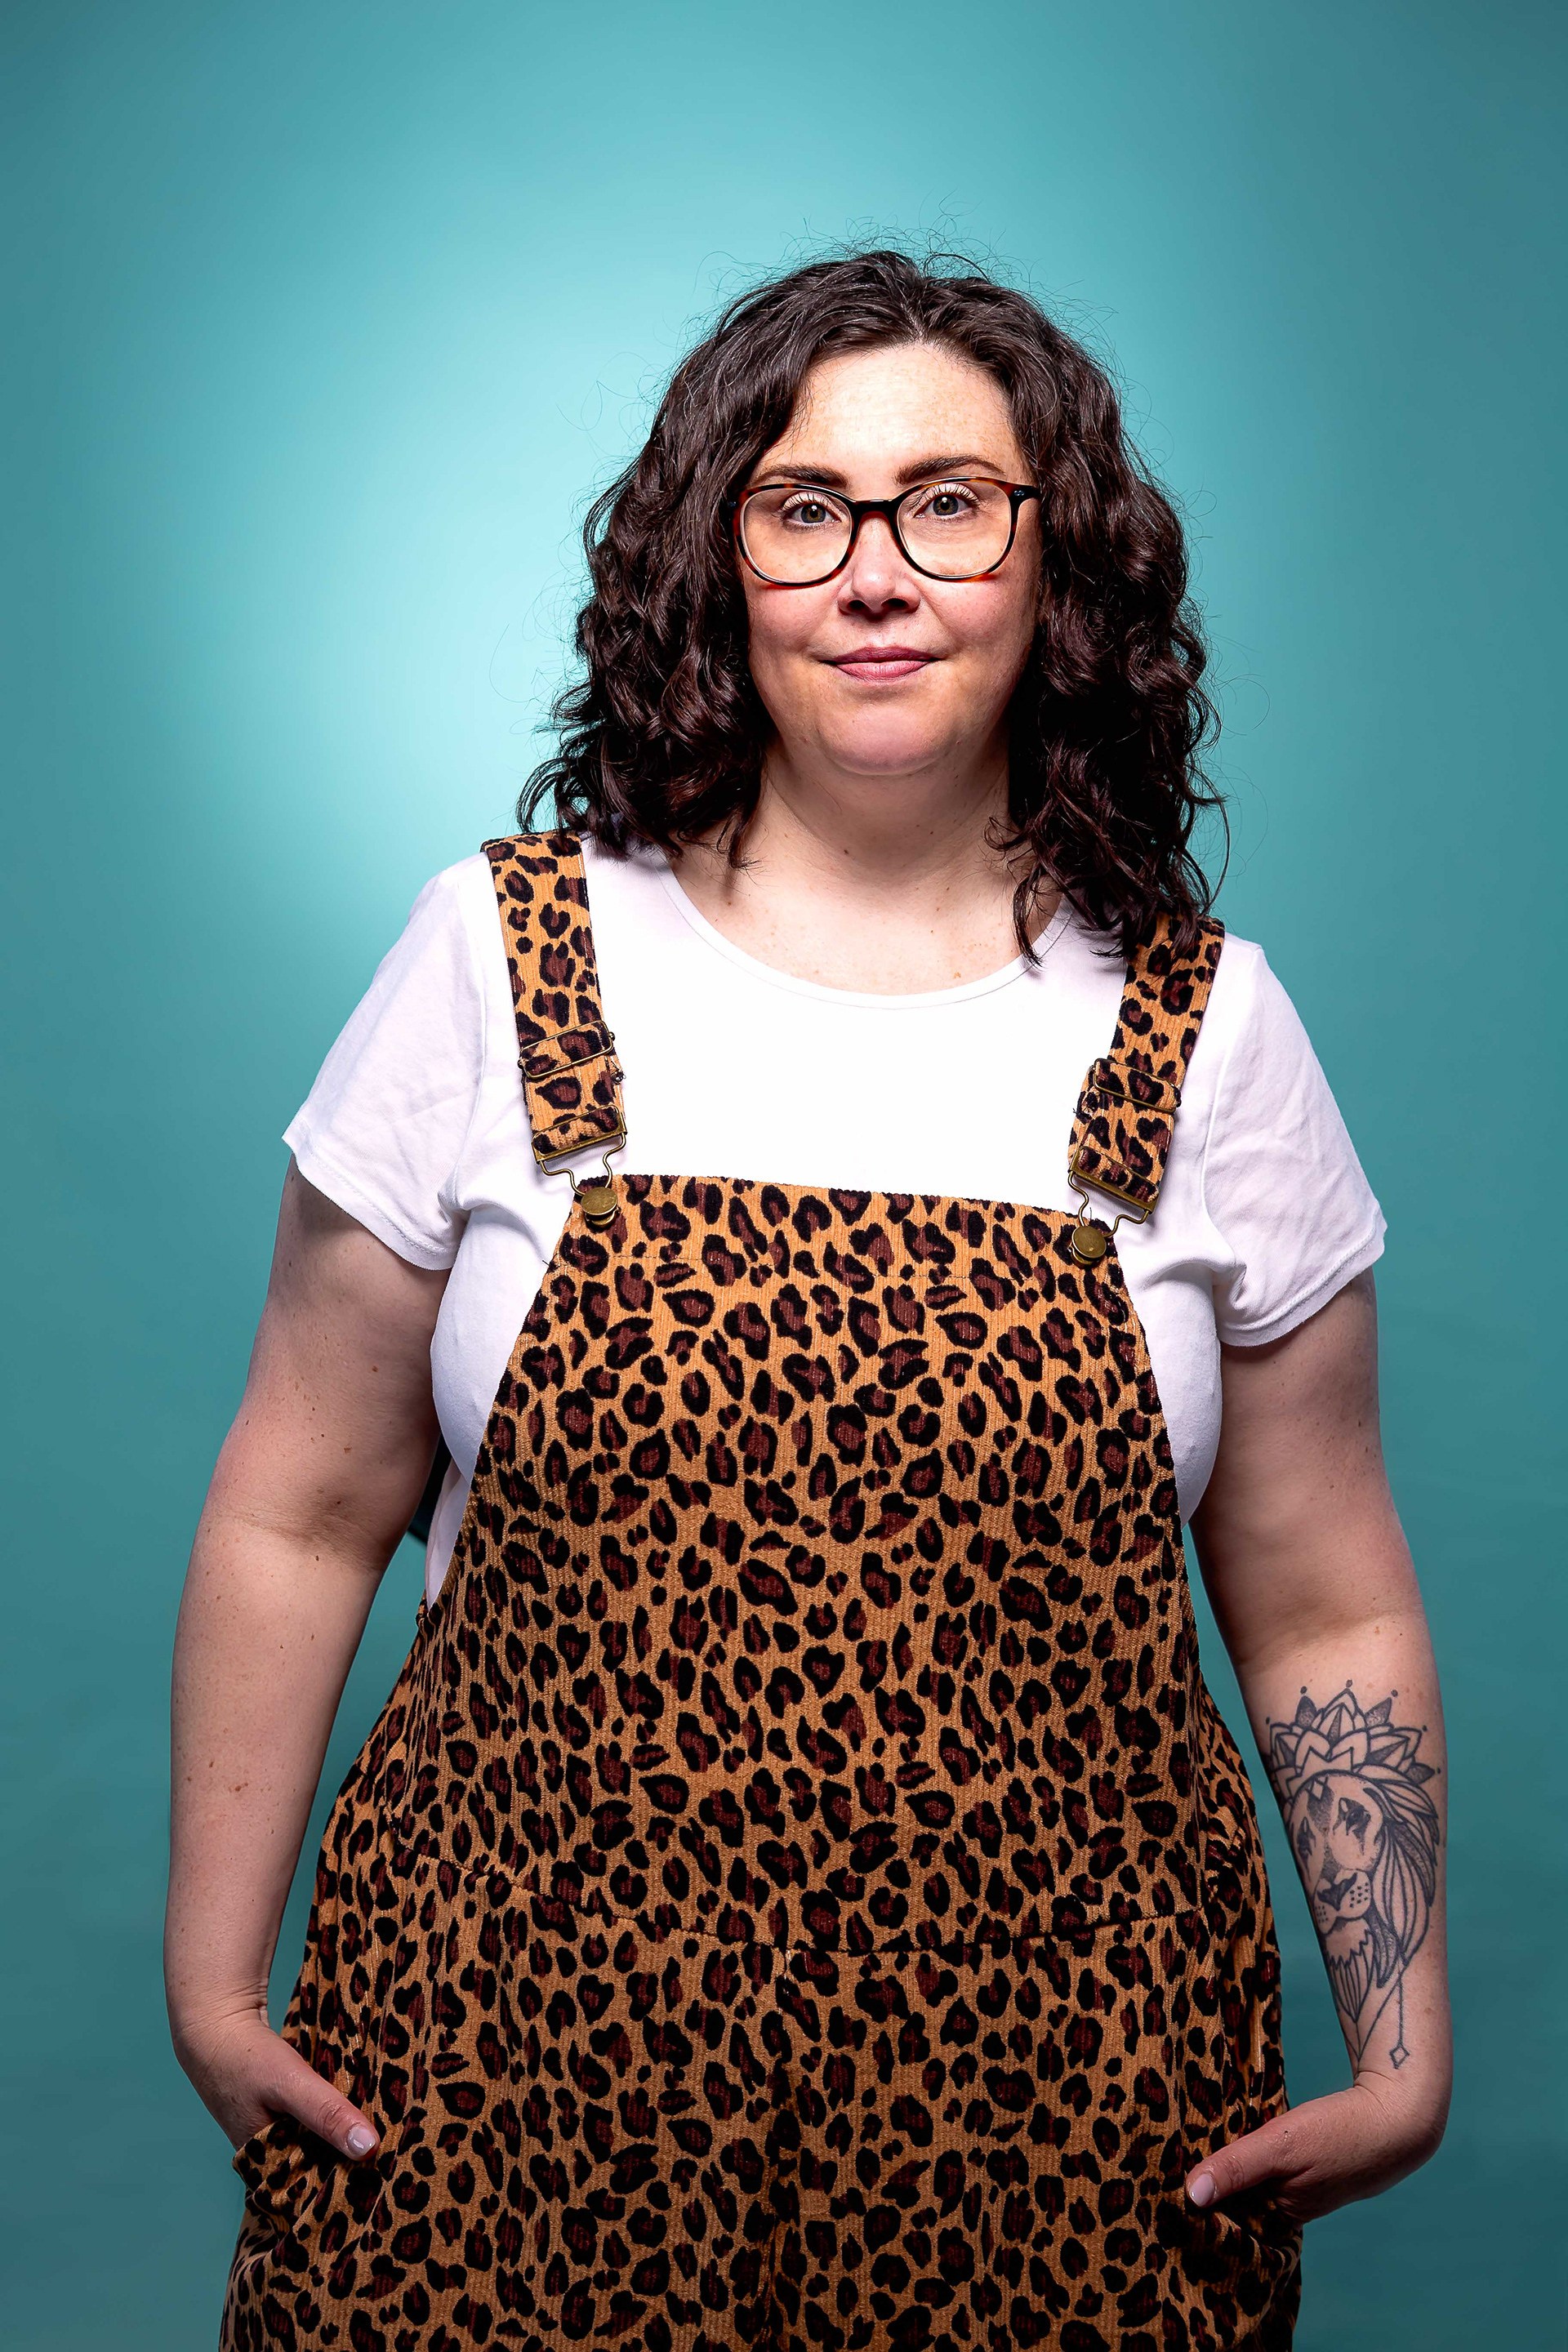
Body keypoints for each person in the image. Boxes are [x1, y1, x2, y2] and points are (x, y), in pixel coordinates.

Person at [167, 249, 1450, 2352]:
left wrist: (1403, 2037)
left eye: (950, 505)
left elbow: (1321, 1597)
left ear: (1060, 567)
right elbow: (300, 1506)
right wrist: (214, 1983)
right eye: (805, 509)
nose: (876, 574)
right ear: (718, 566)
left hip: (1055, 2121)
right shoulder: (501, 960)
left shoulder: (1207, 1034)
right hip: (512, 2085)